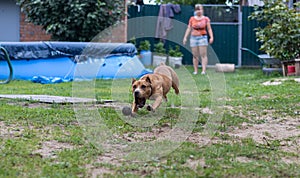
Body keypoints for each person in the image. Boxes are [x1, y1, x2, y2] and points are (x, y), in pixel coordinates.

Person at [183, 4, 214, 75]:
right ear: (195, 11)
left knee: (203, 55)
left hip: (202, 37)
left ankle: (203, 71)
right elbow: (189, 28)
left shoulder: (206, 19)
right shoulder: (192, 19)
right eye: (197, 9)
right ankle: (195, 71)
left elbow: (209, 28)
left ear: (202, 10)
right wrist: (185, 37)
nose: (199, 11)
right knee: (195, 55)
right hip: (193, 38)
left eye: (200, 9)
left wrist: (211, 37)